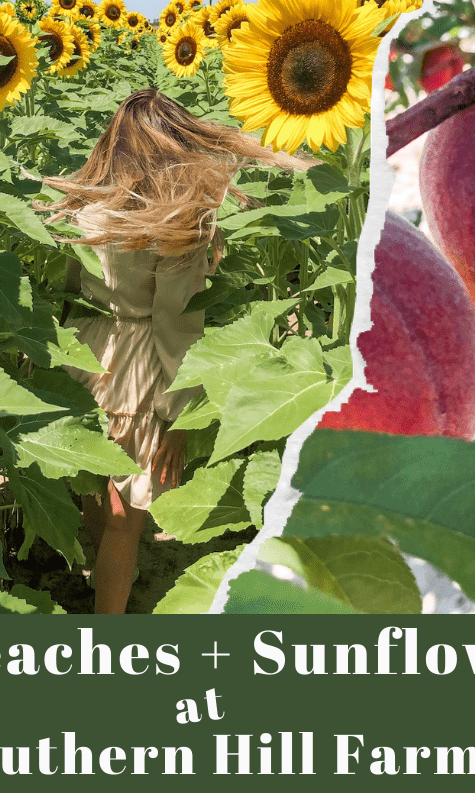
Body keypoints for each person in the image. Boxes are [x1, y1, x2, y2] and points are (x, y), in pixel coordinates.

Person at [35, 88, 306, 614]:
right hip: (139, 366)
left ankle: (100, 581)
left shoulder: (85, 206)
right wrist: (183, 417)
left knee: (93, 481)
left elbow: (70, 289)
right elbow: (174, 326)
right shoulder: (176, 221)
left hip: (86, 352)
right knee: (125, 520)